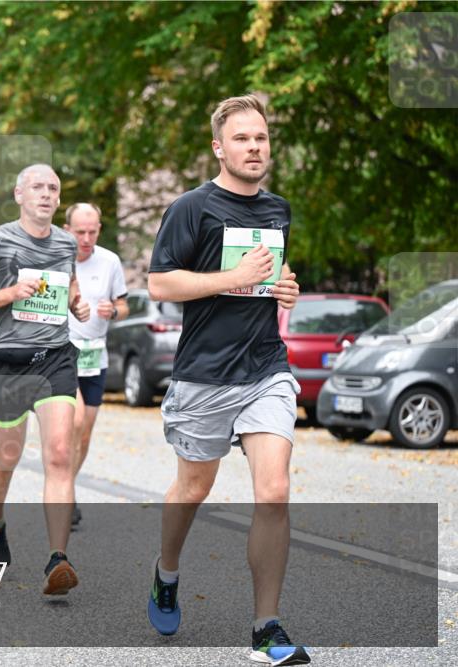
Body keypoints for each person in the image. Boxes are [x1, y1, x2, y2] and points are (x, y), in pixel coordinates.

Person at [145, 95, 307, 666]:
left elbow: (267, 282)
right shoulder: (191, 208)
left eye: (261, 138)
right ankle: (167, 572)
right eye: (242, 139)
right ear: (220, 147)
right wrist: (229, 277)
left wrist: (283, 289)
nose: (255, 147)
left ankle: (266, 626)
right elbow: (161, 285)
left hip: (265, 367)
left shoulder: (278, 210)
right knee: (193, 488)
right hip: (205, 376)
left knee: (275, 490)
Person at [0, 163, 90, 596]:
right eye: (38, 187)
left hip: (55, 357)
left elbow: (67, 287)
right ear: (19, 194)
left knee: (61, 452)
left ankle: (57, 558)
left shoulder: (67, 242)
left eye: (53, 188)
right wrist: (9, 293)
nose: (47, 194)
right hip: (6, 360)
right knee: (8, 454)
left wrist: (77, 305)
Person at [64, 203, 129, 526]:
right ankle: (61, 493)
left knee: (85, 433)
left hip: (95, 355)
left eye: (92, 231)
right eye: (80, 232)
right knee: (74, 422)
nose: (86, 238)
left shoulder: (110, 261)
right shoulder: (55, 259)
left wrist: (113, 311)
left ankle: (66, 488)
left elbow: (124, 304)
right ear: (67, 230)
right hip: (61, 353)